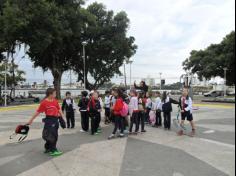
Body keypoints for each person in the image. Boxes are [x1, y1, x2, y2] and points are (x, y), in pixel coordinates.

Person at [27, 88, 65, 156]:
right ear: (50, 94)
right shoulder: (44, 102)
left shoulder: (55, 101)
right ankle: (53, 150)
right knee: (51, 135)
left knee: (52, 135)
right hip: (49, 120)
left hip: (55, 119)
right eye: (54, 93)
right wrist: (31, 120)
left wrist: (62, 117)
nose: (56, 95)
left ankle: (47, 148)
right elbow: (37, 112)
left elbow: (59, 109)